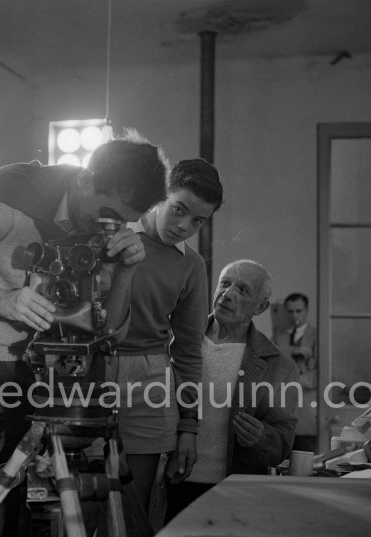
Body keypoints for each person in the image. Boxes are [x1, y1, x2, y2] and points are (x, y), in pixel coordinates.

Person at [0, 130, 169, 537]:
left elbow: (107, 333)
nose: (111, 225)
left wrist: (125, 273)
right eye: (109, 212)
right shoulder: (3, 204)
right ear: (84, 180)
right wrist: (0, 301)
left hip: (15, 366)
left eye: (124, 220)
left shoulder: (95, 232)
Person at [113, 158, 224, 514]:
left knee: (134, 506)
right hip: (91, 367)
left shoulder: (192, 266)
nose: (184, 225)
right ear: (161, 195)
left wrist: (189, 425)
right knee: (82, 501)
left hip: (152, 379)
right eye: (179, 209)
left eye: (198, 220)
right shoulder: (113, 237)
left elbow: (190, 350)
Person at [165, 259, 299, 521]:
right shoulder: (176, 341)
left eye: (242, 289)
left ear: (261, 307)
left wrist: (261, 437)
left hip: (232, 494)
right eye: (224, 284)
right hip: (168, 483)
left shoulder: (278, 365)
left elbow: (282, 443)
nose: (228, 294)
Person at [274, 293, 317, 452]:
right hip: (281, 414)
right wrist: (294, 351)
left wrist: (287, 381)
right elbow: (271, 367)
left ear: (307, 310)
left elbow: (318, 377)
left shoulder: (318, 336)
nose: (294, 316)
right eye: (290, 311)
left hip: (307, 415)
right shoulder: (278, 337)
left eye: (298, 311)